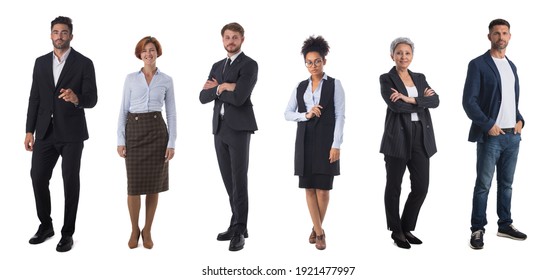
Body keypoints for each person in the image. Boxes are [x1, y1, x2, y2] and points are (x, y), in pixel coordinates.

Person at [24, 16, 98, 252]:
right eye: (55, 32)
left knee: (70, 182)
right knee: (37, 177)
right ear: (50, 35)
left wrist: (77, 99)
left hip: (72, 134)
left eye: (64, 32)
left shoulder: (84, 63)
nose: (59, 36)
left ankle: (67, 234)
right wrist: (29, 130)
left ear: (71, 36)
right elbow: (34, 98)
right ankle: (46, 225)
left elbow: (92, 99)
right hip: (45, 132)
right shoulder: (40, 62)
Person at [463, 19, 527, 250]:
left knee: (507, 184)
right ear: (489, 36)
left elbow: (510, 101)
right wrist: (488, 124)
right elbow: (469, 102)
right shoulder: (478, 64)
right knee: (483, 185)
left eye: (504, 33)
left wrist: (520, 119)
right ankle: (477, 229)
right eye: (496, 33)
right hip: (491, 136)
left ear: (510, 36)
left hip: (513, 136)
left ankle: (505, 225)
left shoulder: (512, 66)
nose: (501, 37)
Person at [199, 22, 258, 252]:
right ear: (222, 40)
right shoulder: (216, 65)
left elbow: (241, 97)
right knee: (227, 179)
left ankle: (240, 229)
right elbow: (203, 97)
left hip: (239, 128)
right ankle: (236, 223)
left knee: (239, 179)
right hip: (219, 128)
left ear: (242, 39)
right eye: (227, 37)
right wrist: (225, 87)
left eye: (235, 37)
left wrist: (219, 88)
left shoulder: (249, 65)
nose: (230, 41)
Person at [284, 35, 345, 250]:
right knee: (309, 188)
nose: (313, 65)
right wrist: (306, 114)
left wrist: (336, 144)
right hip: (304, 140)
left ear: (324, 61)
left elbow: (340, 116)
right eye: (309, 62)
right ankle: (319, 232)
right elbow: (287, 113)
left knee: (324, 190)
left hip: (326, 141)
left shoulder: (335, 85)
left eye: (317, 61)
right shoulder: (300, 86)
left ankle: (316, 228)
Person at [117, 36, 176, 249]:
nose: (148, 54)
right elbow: (123, 110)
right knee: (133, 187)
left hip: (157, 133)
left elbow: (171, 113)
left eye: (151, 50)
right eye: (144, 51)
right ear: (139, 55)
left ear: (157, 53)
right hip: (134, 132)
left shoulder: (166, 80)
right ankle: (134, 229)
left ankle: (148, 230)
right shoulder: (130, 78)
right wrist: (120, 139)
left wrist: (172, 143)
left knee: (154, 186)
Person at [379, 37, 439, 249]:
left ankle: (406, 227)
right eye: (399, 53)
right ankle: (396, 230)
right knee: (394, 186)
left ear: (412, 56)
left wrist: (409, 99)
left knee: (421, 187)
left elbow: (436, 101)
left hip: (421, 138)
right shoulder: (386, 79)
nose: (403, 56)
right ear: (392, 56)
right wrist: (419, 103)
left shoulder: (420, 78)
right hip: (397, 138)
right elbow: (396, 108)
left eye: (407, 53)